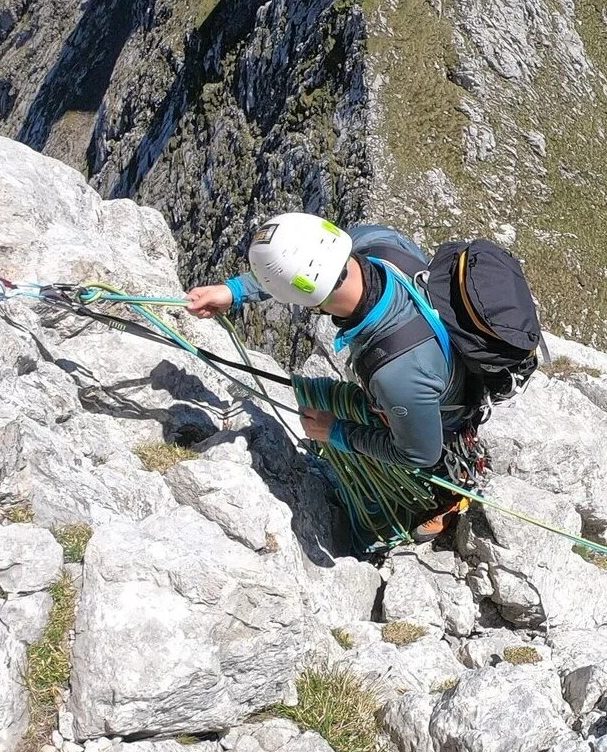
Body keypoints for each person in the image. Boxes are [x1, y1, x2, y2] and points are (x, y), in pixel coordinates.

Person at [185, 212, 476, 539]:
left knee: (411, 468)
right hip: (436, 369)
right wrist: (233, 291)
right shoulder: (376, 243)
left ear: (309, 303)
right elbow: (309, 266)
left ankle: (446, 498)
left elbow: (419, 453)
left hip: (441, 415)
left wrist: (336, 431)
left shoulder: (395, 373)